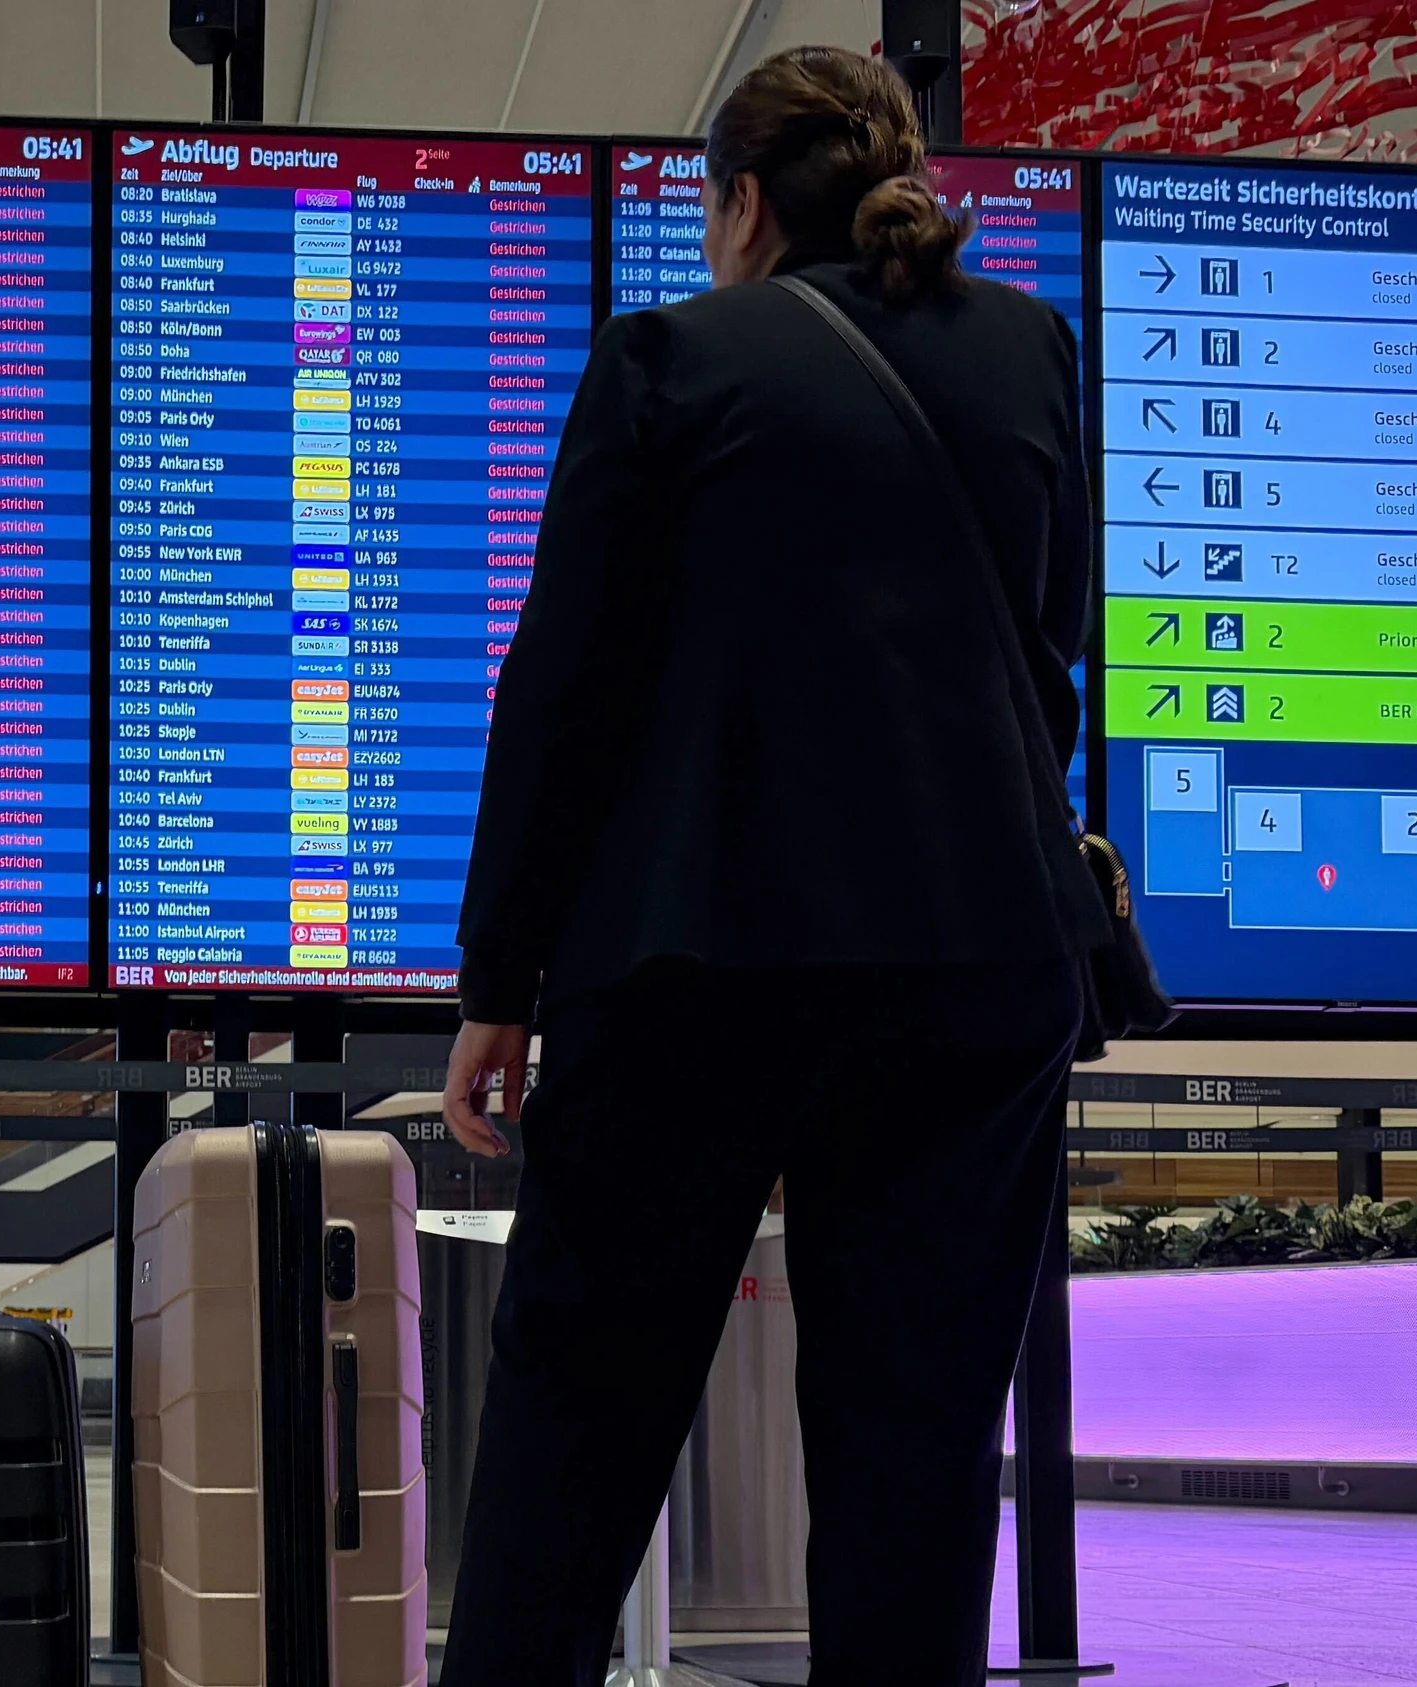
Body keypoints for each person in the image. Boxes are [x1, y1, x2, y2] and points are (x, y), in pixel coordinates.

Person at [434, 45, 1104, 1687]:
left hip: (698, 964)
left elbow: (562, 690)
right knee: (915, 1469)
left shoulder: (670, 358)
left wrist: (499, 979)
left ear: (742, 204)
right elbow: (1052, 654)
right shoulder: (1029, 350)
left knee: (574, 1447)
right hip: (979, 966)